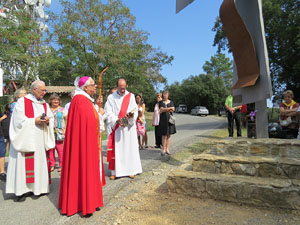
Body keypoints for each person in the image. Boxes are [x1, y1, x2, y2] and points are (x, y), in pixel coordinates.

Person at [59, 76, 105, 217]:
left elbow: (91, 120)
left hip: (89, 141)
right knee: (85, 168)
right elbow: (90, 121)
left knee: (89, 169)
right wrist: (100, 115)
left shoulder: (84, 100)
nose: (95, 87)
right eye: (93, 85)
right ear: (85, 87)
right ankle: (85, 204)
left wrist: (98, 114)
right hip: (85, 143)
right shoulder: (80, 101)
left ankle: (91, 201)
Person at [6, 80, 55, 202]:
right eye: (42, 90)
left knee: (38, 163)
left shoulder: (44, 104)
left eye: (45, 90)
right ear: (34, 90)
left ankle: (37, 189)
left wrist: (48, 120)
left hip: (39, 140)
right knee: (22, 163)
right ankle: (21, 191)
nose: (45, 92)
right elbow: (18, 122)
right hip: (26, 140)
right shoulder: (22, 102)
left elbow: (51, 118)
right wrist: (34, 121)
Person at [105, 78, 142, 180]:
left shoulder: (131, 96)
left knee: (129, 149)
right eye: (121, 88)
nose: (123, 90)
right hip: (117, 127)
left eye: (124, 88)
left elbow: (134, 109)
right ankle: (115, 171)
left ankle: (131, 170)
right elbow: (108, 112)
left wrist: (131, 116)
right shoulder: (111, 98)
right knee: (117, 150)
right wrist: (116, 120)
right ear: (117, 87)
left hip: (128, 128)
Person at [48, 94, 67, 172]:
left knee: (60, 149)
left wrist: (65, 129)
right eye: (54, 99)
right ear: (51, 101)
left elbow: (67, 119)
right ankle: (52, 164)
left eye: (57, 100)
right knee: (51, 148)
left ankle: (62, 165)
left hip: (59, 131)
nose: (56, 101)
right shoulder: (48, 109)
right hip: (50, 131)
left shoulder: (63, 110)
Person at [158, 90, 176, 155]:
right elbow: (161, 109)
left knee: (168, 136)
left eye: (166, 94)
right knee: (164, 136)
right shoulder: (160, 102)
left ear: (168, 95)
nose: (165, 95)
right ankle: (163, 149)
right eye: (164, 94)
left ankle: (167, 149)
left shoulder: (171, 102)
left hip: (169, 121)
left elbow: (173, 109)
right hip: (163, 120)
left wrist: (165, 109)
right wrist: (169, 108)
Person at [0, 106, 9, 182]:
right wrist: (2, 118)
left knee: (2, 153)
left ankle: (2, 172)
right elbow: (3, 117)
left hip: (0, 134)